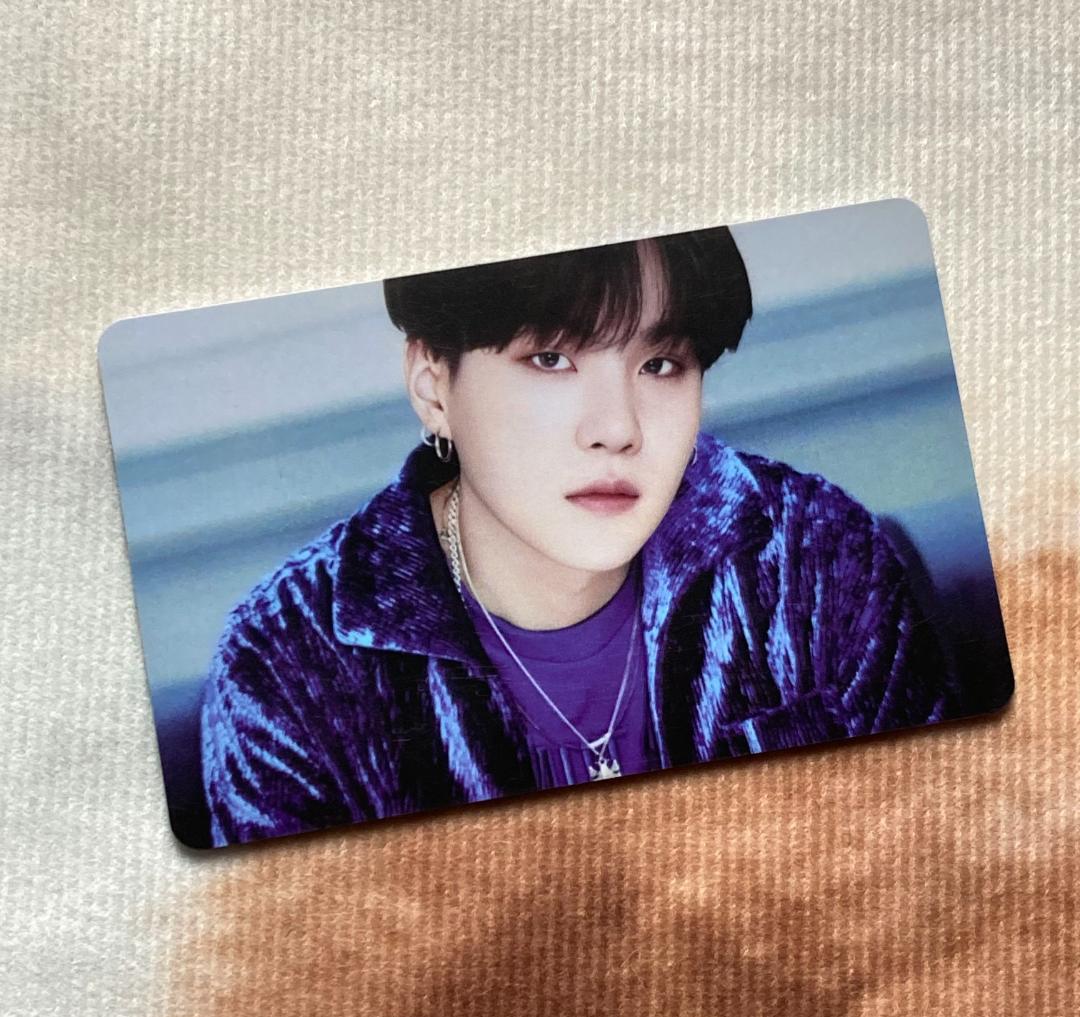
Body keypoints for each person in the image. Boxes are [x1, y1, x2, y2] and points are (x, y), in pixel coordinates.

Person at [199, 227, 951, 847]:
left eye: (660, 364)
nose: (617, 428)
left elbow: (937, 881)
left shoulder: (811, 559)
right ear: (433, 385)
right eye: (551, 359)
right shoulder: (291, 662)